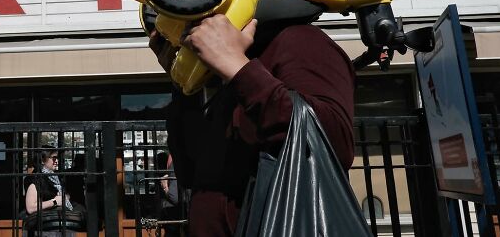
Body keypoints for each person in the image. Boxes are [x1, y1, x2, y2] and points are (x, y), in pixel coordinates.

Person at [149, 15, 355, 237]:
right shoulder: (236, 68)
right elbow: (191, 174)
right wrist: (182, 82)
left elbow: (333, 142)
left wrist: (237, 66)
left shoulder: (300, 40)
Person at [25, 147, 76, 237]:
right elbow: (30, 207)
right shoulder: (35, 179)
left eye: (57, 158)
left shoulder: (53, 177)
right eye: (54, 158)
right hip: (46, 226)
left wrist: (65, 197)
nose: (56, 161)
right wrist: (55, 201)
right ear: (42, 160)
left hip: (55, 224)